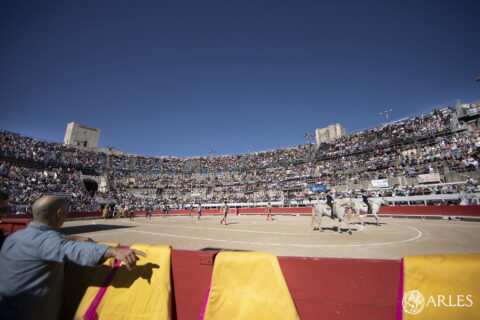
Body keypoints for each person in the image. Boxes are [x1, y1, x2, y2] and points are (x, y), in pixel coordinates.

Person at [0, 195, 146, 320]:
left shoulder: (15, 237)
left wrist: (71, 238)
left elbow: (49, 242)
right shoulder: (48, 242)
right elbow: (72, 250)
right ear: (59, 213)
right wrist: (113, 251)